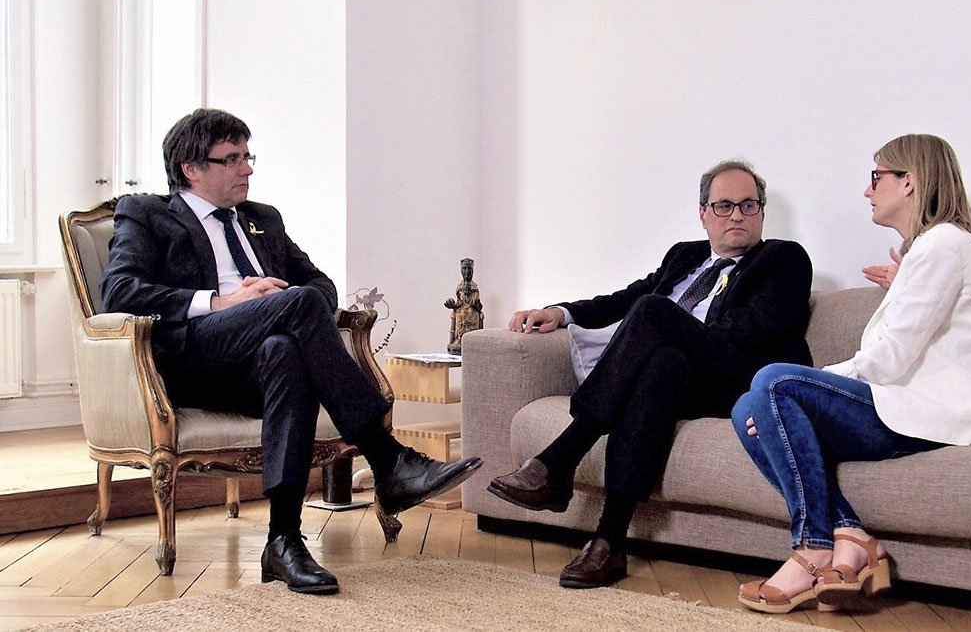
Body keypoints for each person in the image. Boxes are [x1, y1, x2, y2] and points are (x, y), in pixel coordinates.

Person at [100, 108, 482, 595]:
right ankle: (390, 461)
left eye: (248, 155)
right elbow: (120, 293)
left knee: (285, 346)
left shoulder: (263, 219)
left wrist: (277, 307)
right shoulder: (147, 213)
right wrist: (223, 301)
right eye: (232, 159)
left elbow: (320, 285)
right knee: (294, 306)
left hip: (258, 368)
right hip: (195, 359)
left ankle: (282, 541)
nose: (248, 169)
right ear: (190, 169)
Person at [488, 160, 814, 588]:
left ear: (762, 213)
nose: (737, 215)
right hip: (678, 377)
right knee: (659, 365)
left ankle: (560, 458)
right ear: (703, 214)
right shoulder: (684, 256)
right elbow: (627, 297)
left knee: (656, 315)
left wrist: (677, 332)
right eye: (724, 205)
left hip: (739, 377)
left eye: (749, 205)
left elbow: (757, 328)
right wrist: (561, 312)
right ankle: (609, 542)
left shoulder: (783, 258)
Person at [733, 134, 971, 614]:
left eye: (876, 176)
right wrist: (909, 275)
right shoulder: (938, 248)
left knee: (774, 382)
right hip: (911, 408)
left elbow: (889, 359)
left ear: (908, 182)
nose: (868, 190)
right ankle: (853, 537)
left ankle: (812, 547)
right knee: (746, 407)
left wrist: (798, 390)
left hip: (934, 413)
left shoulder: (942, 244)